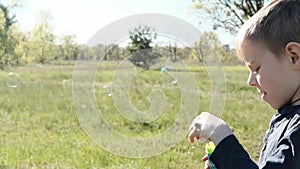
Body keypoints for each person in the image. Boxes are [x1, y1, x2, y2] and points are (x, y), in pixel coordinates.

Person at [188, 0, 300, 168]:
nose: (250, 81)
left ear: (294, 57)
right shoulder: (287, 116)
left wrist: (223, 139)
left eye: (256, 68)